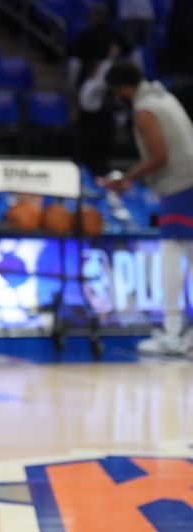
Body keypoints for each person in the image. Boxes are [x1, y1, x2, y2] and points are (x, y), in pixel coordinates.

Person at [103, 61, 193, 356]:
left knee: (170, 255)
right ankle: (184, 334)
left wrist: (127, 179)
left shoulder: (145, 109)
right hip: (188, 180)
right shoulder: (164, 96)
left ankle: (171, 332)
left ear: (120, 89)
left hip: (181, 185)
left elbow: (159, 155)